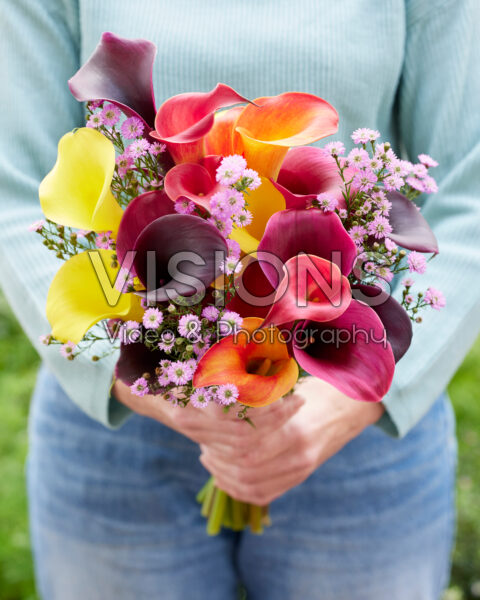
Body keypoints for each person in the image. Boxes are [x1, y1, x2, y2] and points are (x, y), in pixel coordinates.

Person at [1, 0, 479, 598]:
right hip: (116, 434)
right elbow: (11, 182)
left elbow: (473, 182)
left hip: (355, 431)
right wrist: (145, 382)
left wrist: (360, 398)